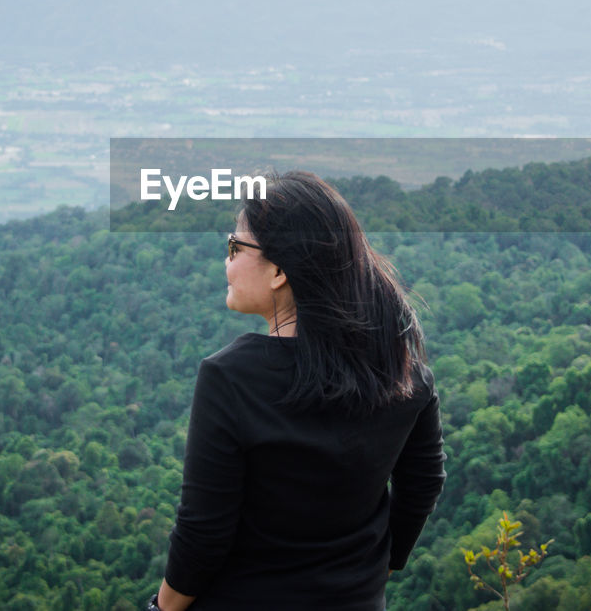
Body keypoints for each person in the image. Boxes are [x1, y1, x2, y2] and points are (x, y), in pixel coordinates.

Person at [147, 170, 446, 611]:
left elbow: (203, 532)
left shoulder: (230, 378)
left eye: (235, 247)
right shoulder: (404, 375)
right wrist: (377, 569)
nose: (226, 261)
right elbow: (423, 482)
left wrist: (161, 608)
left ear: (279, 271)